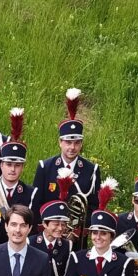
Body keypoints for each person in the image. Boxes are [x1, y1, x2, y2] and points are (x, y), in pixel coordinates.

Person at [32, 89, 102, 224]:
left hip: (76, 235)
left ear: (81, 144)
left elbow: (94, 206)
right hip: (49, 232)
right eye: (68, 142)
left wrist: (75, 228)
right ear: (60, 142)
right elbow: (37, 203)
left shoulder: (91, 170)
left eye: (76, 143)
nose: (72, 147)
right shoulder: (45, 167)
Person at [0, 108, 36, 220]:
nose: (12, 169)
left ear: (22, 167)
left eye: (17, 165)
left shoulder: (30, 193)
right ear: (1, 165)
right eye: (8, 164)